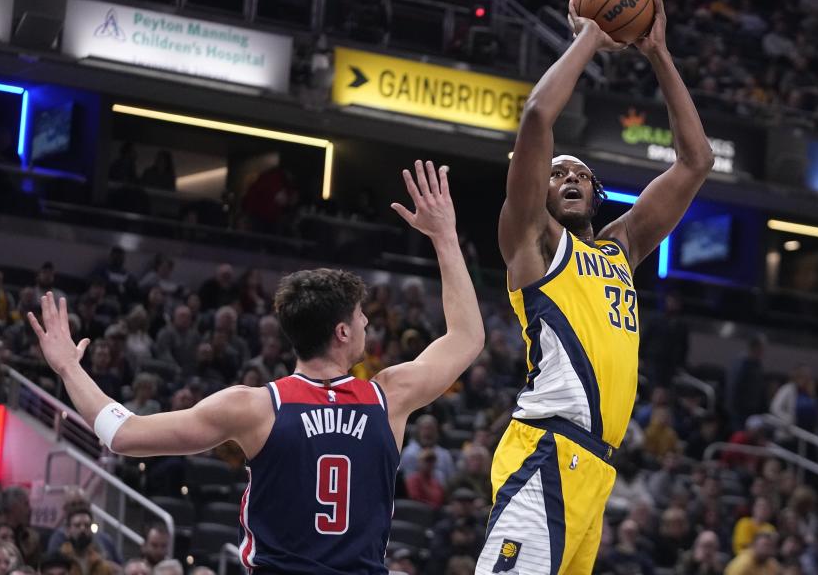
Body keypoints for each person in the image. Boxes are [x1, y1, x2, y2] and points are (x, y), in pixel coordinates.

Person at [28, 161, 484, 575]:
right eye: (359, 316)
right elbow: (466, 337)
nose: (367, 322)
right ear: (342, 333)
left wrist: (69, 369)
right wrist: (444, 236)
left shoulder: (255, 406)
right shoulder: (388, 397)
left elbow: (122, 434)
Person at [476, 0, 715, 573]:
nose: (573, 178)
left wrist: (658, 52)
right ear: (539, 189)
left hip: (596, 469)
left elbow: (696, 162)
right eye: (559, 175)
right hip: (546, 450)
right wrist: (588, 35)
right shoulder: (530, 240)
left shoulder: (620, 249)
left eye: (583, 174)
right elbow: (537, 116)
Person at [725, 334, 768, 430]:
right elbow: (733, 387)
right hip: (739, 411)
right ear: (755, 348)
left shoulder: (758, 365)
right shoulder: (741, 364)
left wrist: (763, 408)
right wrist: (732, 409)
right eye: (761, 348)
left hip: (753, 411)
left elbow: (761, 388)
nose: (763, 352)